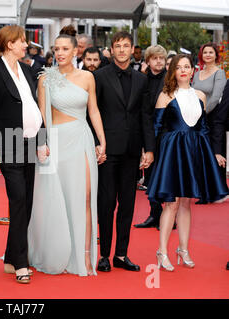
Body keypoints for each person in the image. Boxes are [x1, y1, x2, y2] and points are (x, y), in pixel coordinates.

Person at [28, 33, 106, 276]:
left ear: (76, 52)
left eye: (65, 48)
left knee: (84, 196)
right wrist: (42, 144)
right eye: (56, 48)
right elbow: (42, 115)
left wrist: (101, 140)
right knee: (56, 198)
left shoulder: (88, 77)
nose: (60, 52)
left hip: (81, 138)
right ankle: (56, 250)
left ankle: (84, 256)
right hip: (56, 141)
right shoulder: (46, 78)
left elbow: (93, 110)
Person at [147, 54, 228, 271]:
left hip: (194, 150)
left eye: (187, 67)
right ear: (172, 71)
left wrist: (212, 154)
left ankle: (183, 249)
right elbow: (155, 128)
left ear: (193, 71)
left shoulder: (200, 95)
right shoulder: (165, 95)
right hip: (172, 151)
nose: (183, 70)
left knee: (185, 203)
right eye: (179, 67)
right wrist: (149, 153)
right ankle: (162, 251)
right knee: (171, 203)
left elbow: (203, 128)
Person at [0, 25, 44, 284]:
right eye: (21, 41)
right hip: (9, 143)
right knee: (18, 200)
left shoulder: (28, 69)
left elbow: (35, 107)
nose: (25, 45)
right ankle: (21, 262)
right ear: (9, 44)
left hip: (31, 143)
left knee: (26, 202)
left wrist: (43, 140)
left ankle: (11, 257)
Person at [93, 31, 155, 273]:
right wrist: (97, 144)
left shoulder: (142, 80)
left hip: (131, 150)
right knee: (106, 203)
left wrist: (148, 148)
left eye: (125, 46)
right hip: (107, 150)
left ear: (132, 50)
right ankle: (104, 255)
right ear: (111, 49)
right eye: (117, 46)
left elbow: (145, 116)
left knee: (128, 204)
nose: (121, 50)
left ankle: (121, 254)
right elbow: (93, 112)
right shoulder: (98, 76)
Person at [134, 45, 167, 229]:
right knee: (150, 176)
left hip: (166, 134)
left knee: (166, 175)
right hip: (147, 134)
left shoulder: (171, 80)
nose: (159, 61)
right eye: (155, 58)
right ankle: (155, 213)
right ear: (148, 61)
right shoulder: (142, 80)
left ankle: (169, 215)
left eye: (161, 58)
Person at [192, 43, 227, 176]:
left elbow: (216, 97)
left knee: (213, 153)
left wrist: (202, 114)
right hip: (195, 118)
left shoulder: (220, 73)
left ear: (216, 55)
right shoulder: (196, 74)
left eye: (211, 52)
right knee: (199, 154)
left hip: (212, 118)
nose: (207, 55)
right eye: (205, 52)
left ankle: (215, 192)